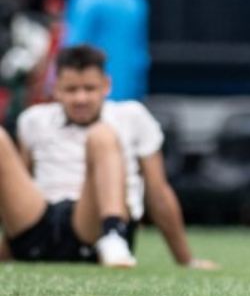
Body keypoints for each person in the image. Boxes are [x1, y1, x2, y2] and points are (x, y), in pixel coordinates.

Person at [0, 44, 215, 269]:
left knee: (101, 135)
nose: (81, 99)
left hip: (92, 227)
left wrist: (185, 260)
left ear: (106, 86)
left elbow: (158, 192)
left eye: (89, 88)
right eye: (71, 89)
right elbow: (17, 185)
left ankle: (113, 237)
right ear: (56, 89)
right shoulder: (33, 120)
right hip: (39, 228)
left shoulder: (132, 116)